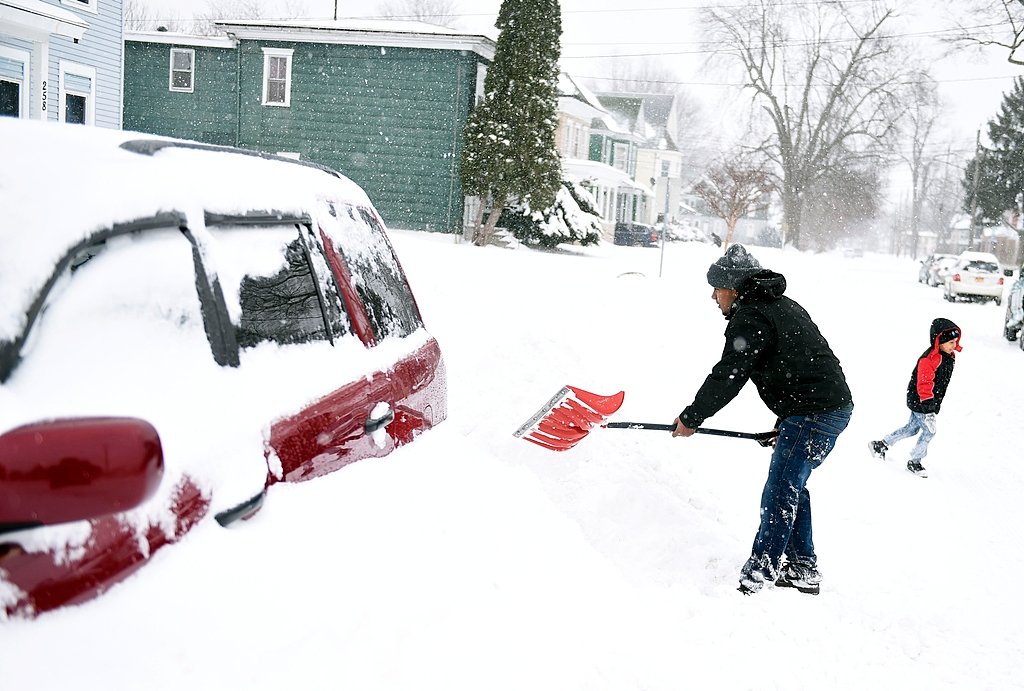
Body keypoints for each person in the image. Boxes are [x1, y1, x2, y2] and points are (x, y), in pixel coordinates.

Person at [672, 244, 853, 596]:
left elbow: (730, 374)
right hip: (825, 409)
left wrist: (692, 417)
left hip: (814, 413)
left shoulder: (752, 316)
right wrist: (786, 421)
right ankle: (802, 567)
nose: (713, 296)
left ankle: (759, 572)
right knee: (791, 483)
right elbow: (809, 363)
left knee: (781, 489)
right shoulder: (780, 306)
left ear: (735, 289)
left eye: (717, 288)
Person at [869, 318, 962, 478]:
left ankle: (881, 445)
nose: (954, 346)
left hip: (927, 401)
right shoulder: (930, 359)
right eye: (950, 342)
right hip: (922, 400)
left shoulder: (946, 356)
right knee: (929, 431)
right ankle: (915, 461)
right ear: (938, 341)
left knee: (912, 428)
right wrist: (929, 410)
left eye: (955, 341)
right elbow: (924, 385)